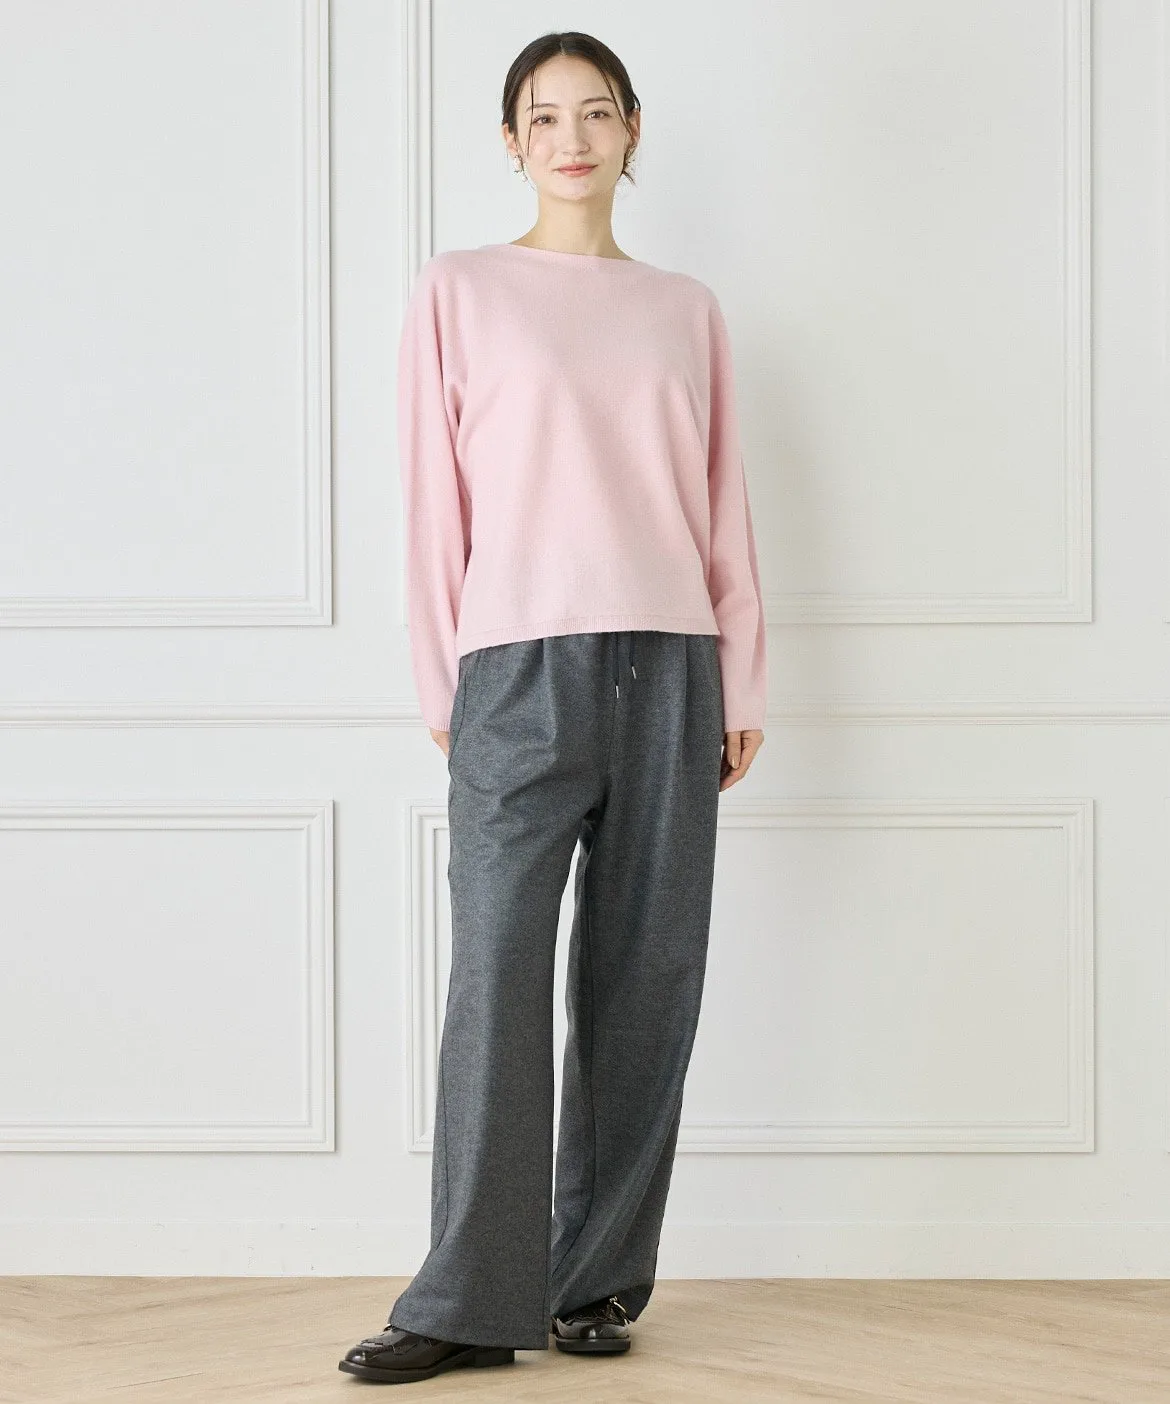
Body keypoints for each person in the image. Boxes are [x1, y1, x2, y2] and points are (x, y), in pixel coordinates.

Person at [339, 29, 766, 1387]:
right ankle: (468, 1298)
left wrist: (740, 677)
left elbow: (720, 502)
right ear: (511, 141)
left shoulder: (685, 308)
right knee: (497, 980)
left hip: (671, 664)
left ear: (632, 130)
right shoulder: (460, 290)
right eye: (543, 116)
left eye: (595, 112)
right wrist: (444, 680)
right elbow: (431, 500)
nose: (570, 137)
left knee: (647, 981)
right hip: (514, 668)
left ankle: (595, 1281)